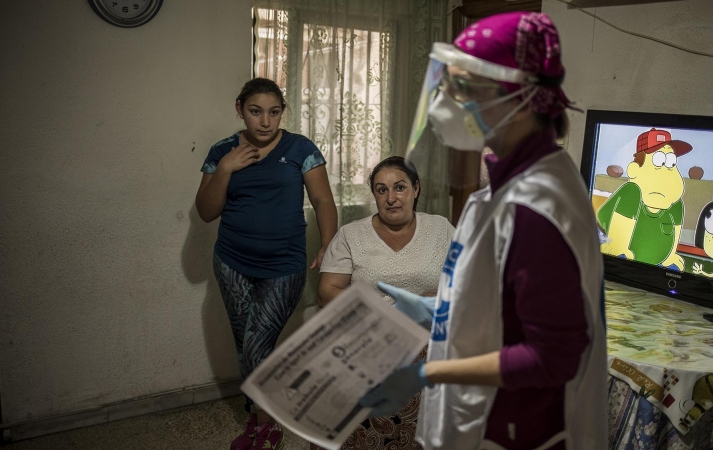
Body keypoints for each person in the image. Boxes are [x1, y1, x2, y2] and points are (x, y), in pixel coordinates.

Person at [359, 12, 607, 450]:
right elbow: (499, 300)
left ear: (516, 99)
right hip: (489, 413)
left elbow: (552, 357)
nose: (448, 102)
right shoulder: (510, 180)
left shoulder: (537, 205)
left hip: (517, 425)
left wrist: (425, 373)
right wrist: (436, 309)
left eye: (463, 89)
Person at [195, 77, 337, 450]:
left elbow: (323, 201)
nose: (265, 121)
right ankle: (262, 407)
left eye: (274, 112)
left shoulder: (300, 148)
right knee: (246, 345)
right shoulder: (222, 151)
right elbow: (207, 212)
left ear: (282, 114)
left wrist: (328, 246)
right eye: (256, 112)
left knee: (258, 344)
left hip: (284, 265)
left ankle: (266, 426)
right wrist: (225, 168)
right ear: (240, 109)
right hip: (231, 262)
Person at [314, 156, 454, 450]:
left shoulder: (441, 230)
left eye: (399, 187)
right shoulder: (351, 235)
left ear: (416, 189)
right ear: (374, 194)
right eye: (381, 190)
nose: (391, 198)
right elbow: (329, 291)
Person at [597, 128, 693, 271]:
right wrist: (617, 247)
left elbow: (676, 230)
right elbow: (602, 217)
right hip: (620, 262)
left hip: (655, 271)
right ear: (635, 169)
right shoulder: (631, 192)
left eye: (671, 163)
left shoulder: (675, 204)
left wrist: (671, 256)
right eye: (659, 160)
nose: (666, 172)